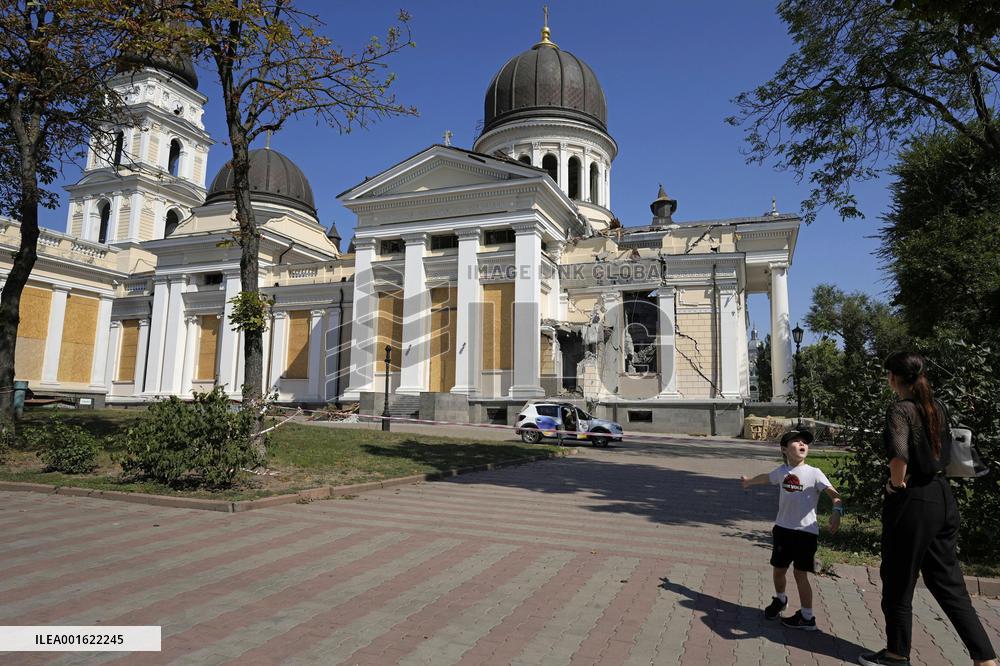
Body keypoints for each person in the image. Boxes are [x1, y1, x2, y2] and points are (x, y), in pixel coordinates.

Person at [859, 352, 996, 666]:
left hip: (913, 500)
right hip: (943, 497)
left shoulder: (901, 410)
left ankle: (896, 655)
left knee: (897, 579)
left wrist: (894, 484)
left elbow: (899, 455)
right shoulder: (937, 407)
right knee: (948, 583)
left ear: (893, 378)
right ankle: (985, 658)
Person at [741, 429, 843, 630]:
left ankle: (807, 617)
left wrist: (837, 511)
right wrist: (749, 482)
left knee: (800, 574)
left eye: (805, 442)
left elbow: (834, 494)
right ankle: (780, 599)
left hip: (806, 533)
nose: (802, 444)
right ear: (784, 450)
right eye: (796, 441)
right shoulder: (782, 472)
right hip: (782, 530)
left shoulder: (814, 473)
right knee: (778, 571)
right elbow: (766, 478)